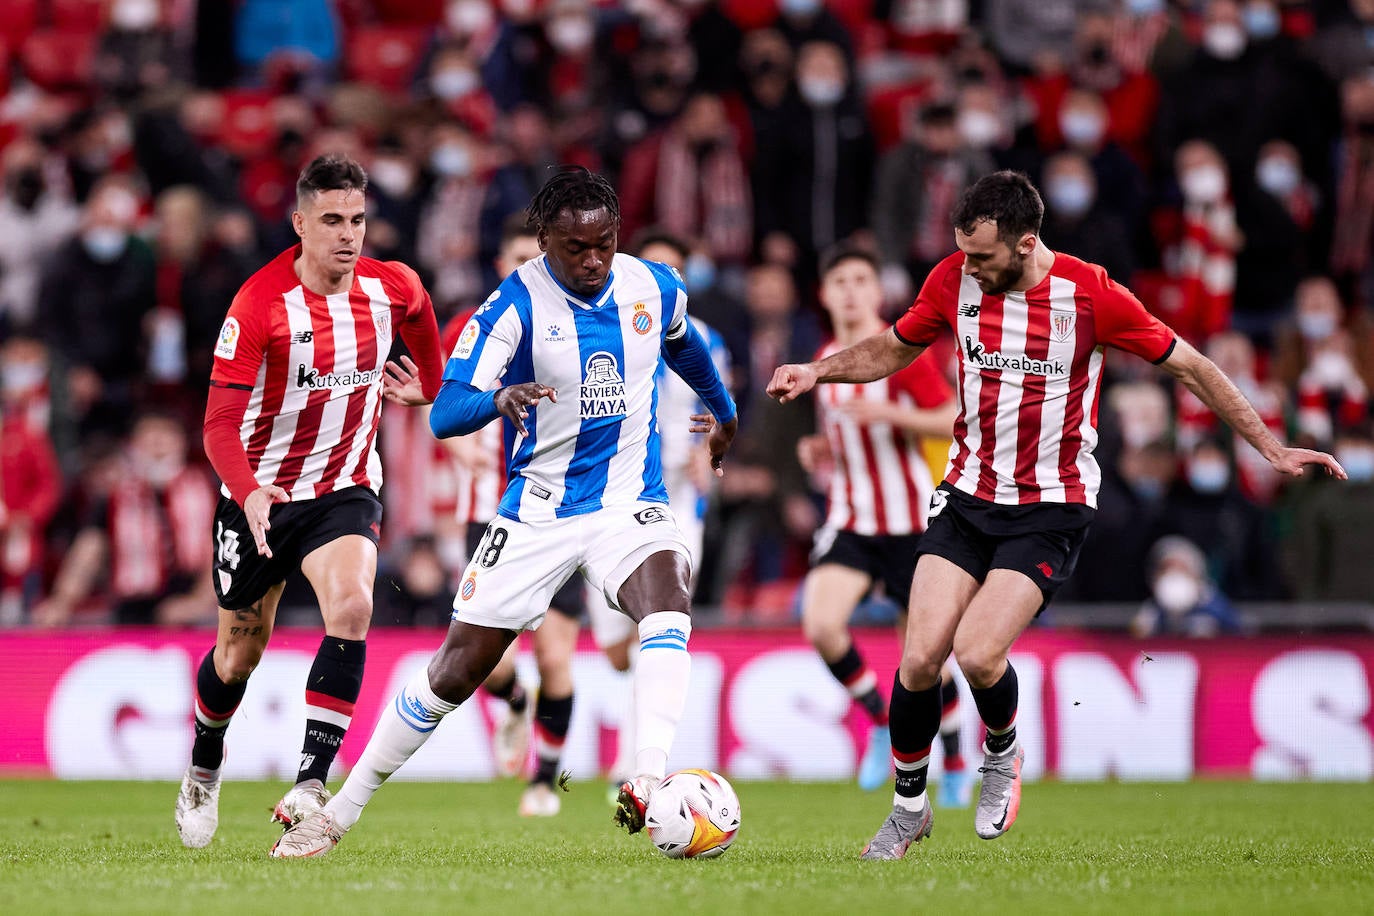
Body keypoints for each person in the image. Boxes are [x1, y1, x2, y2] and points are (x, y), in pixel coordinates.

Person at [766, 171, 1345, 860]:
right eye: (964, 254)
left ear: (1025, 243)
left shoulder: (1091, 294)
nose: (969, 268)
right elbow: (894, 346)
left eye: (983, 257)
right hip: (967, 494)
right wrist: (818, 371)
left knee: (978, 652)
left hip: (1050, 506)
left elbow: (1191, 366)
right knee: (919, 659)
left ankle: (1002, 753)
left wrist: (1269, 446)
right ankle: (908, 809)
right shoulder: (953, 277)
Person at [270, 165, 737, 858]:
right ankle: (339, 811)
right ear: (545, 242)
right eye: (576, 248)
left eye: (604, 244)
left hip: (628, 503)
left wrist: (724, 411)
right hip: (537, 513)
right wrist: (498, 399)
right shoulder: (513, 306)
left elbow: (682, 343)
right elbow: (446, 411)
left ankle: (646, 776)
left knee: (669, 601)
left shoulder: (653, 285)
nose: (593, 260)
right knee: (455, 673)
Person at [173, 154, 445, 849]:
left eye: (357, 219)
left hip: (344, 487)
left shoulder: (392, 287)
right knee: (237, 657)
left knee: (352, 606)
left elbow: (423, 322)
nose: (347, 234)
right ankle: (204, 763)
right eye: (331, 220)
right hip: (260, 495)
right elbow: (217, 426)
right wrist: (247, 491)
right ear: (300, 224)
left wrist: (432, 384)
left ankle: (310, 782)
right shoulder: (259, 305)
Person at [794, 246, 967, 801]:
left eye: (860, 279)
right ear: (824, 295)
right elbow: (848, 435)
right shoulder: (824, 358)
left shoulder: (900, 351)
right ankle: (878, 717)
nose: (850, 290)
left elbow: (951, 417)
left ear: (876, 291)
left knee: (925, 659)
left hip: (912, 521)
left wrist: (889, 413)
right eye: (839, 281)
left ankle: (956, 758)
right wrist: (821, 449)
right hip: (851, 518)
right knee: (822, 624)